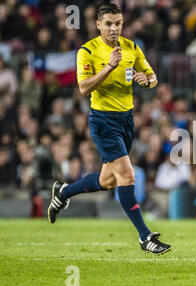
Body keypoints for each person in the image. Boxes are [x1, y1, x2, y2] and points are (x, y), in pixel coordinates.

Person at [46, 3, 171, 255]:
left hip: (127, 120)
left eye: (118, 23)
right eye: (109, 24)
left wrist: (146, 81)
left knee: (106, 180)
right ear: (99, 25)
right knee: (127, 176)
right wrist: (109, 67)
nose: (114, 29)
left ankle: (63, 192)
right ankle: (145, 237)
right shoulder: (87, 51)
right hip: (103, 121)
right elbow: (84, 88)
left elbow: (152, 76)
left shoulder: (131, 47)